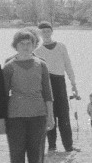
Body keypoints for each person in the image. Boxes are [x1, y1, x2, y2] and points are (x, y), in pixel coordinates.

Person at [3, 29, 54, 163]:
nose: (25, 47)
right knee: (17, 157)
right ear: (15, 46)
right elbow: (3, 95)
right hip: (15, 117)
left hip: (38, 116)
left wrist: (50, 116)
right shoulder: (8, 67)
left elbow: (48, 93)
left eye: (29, 43)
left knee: (36, 156)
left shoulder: (42, 64)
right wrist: (2, 119)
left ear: (34, 45)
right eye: (21, 43)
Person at [33, 22, 79, 152]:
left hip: (60, 82)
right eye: (43, 32)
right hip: (46, 84)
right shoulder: (37, 51)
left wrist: (74, 84)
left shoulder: (61, 47)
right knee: (50, 114)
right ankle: (52, 146)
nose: (46, 34)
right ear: (40, 34)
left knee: (64, 114)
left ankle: (68, 146)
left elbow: (68, 65)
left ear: (52, 32)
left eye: (48, 31)